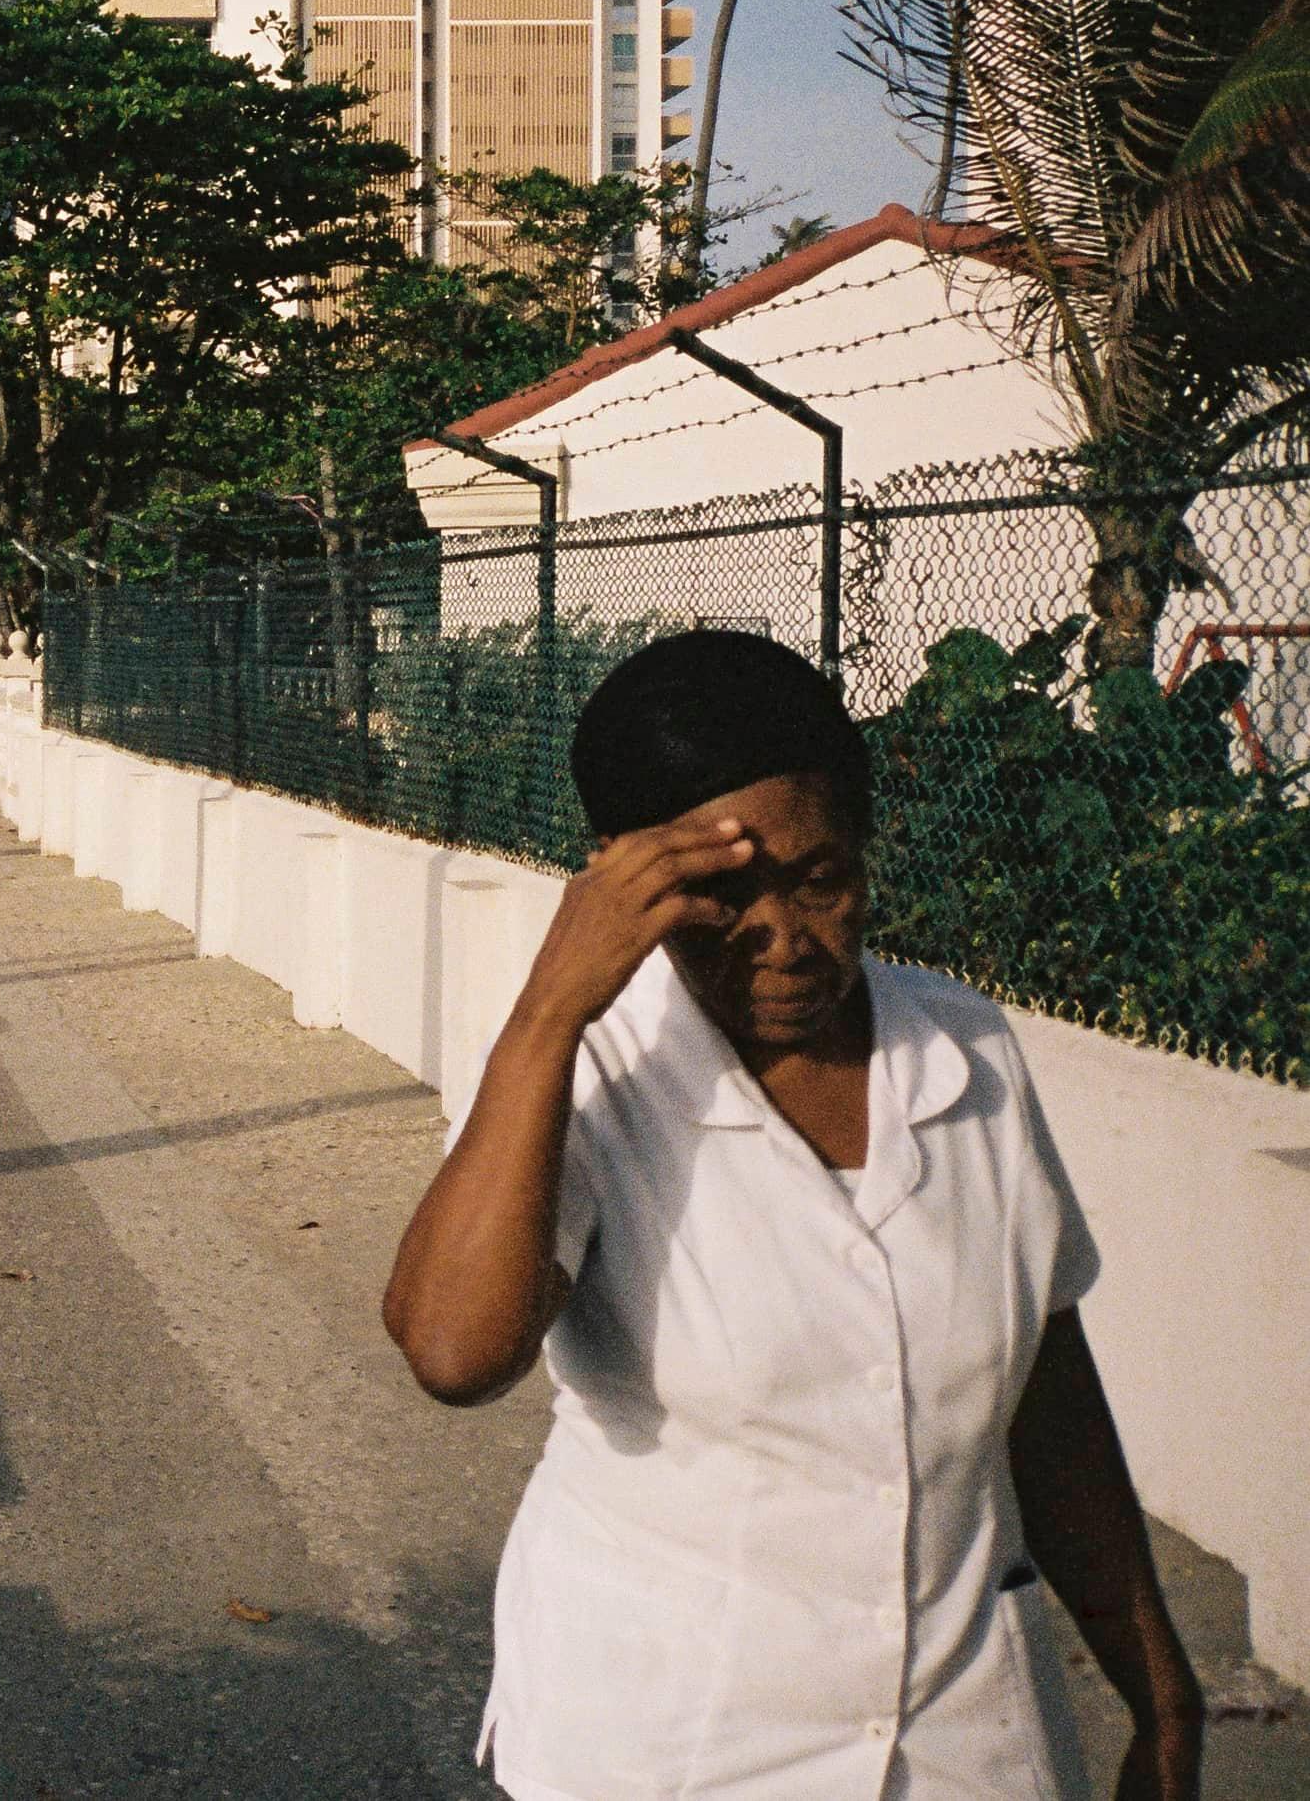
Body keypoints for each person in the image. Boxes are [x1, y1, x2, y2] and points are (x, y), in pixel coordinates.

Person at [383, 630, 1200, 1800]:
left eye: (818, 878)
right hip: (668, 1746)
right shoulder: (588, 1077)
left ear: (862, 848)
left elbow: (1044, 1387)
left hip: (955, 1740)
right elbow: (452, 1352)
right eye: (719, 895)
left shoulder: (965, 1051)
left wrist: (1157, 1692)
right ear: (624, 885)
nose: (782, 937)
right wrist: (549, 1006)